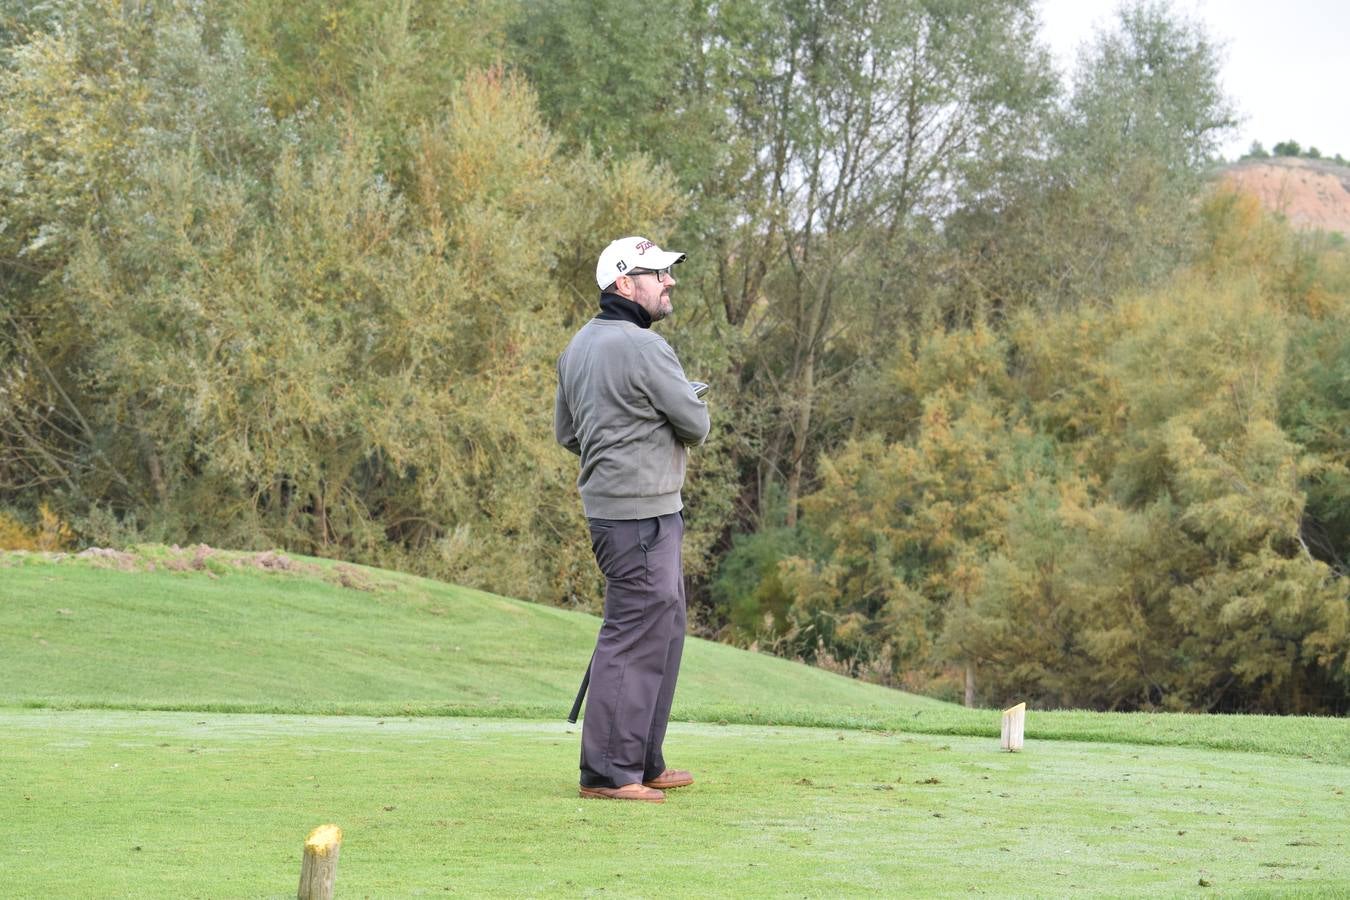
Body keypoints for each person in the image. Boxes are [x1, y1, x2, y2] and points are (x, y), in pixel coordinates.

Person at [554, 236, 711, 803]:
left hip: (624, 513)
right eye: (657, 274)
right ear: (625, 284)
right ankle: (608, 772)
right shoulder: (647, 349)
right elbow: (695, 424)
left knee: (661, 631)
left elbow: (569, 434)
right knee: (635, 635)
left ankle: (641, 759)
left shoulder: (576, 348)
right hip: (640, 516)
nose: (668, 282)